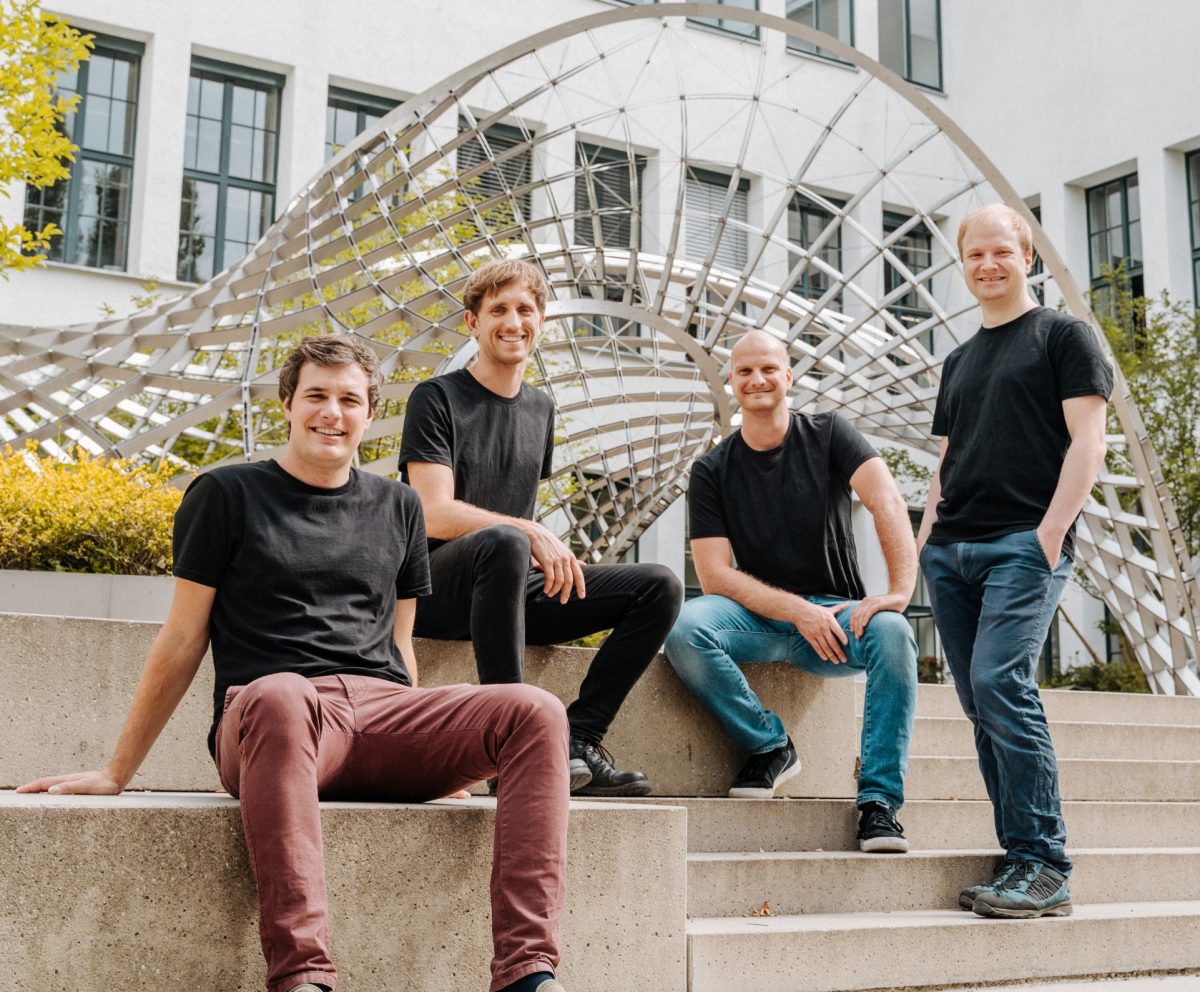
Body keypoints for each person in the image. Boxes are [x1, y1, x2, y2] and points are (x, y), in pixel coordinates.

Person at [18, 334, 571, 992]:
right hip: (272, 718)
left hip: (379, 714)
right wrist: (118, 770)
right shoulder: (225, 494)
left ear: (369, 415)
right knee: (281, 695)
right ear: (287, 403)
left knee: (535, 710)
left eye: (349, 400)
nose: (331, 413)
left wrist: (442, 758)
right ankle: (303, 976)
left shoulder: (398, 507)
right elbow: (182, 638)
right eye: (316, 396)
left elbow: (399, 647)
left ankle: (527, 973)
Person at [400, 258, 683, 796]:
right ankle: (510, 743)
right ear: (472, 323)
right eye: (498, 310)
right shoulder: (436, 398)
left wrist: (528, 538)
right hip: (440, 588)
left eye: (525, 309)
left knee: (659, 586)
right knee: (507, 538)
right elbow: (431, 511)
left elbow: (512, 511)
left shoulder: (540, 408)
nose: (513, 321)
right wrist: (527, 531)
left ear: (542, 321)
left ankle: (578, 740)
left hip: (509, 588)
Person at [917, 203, 1112, 920]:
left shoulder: (1064, 336)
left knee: (1002, 683)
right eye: (975, 255)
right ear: (963, 264)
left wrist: (1051, 532)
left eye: (1002, 251)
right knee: (980, 701)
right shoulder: (960, 360)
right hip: (953, 552)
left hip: (1022, 543)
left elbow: (1088, 442)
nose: (988, 265)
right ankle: (1017, 855)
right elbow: (947, 459)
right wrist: (924, 543)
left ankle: (1044, 861)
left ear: (1026, 257)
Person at [665, 329, 918, 851]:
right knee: (686, 626)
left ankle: (878, 804)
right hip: (758, 618)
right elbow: (715, 576)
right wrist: (796, 610)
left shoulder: (830, 435)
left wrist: (899, 590)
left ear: (788, 377)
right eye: (745, 371)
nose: (757, 380)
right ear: (732, 382)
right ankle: (769, 743)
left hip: (837, 618)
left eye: (768, 369)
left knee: (893, 632)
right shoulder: (712, 468)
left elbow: (887, 501)